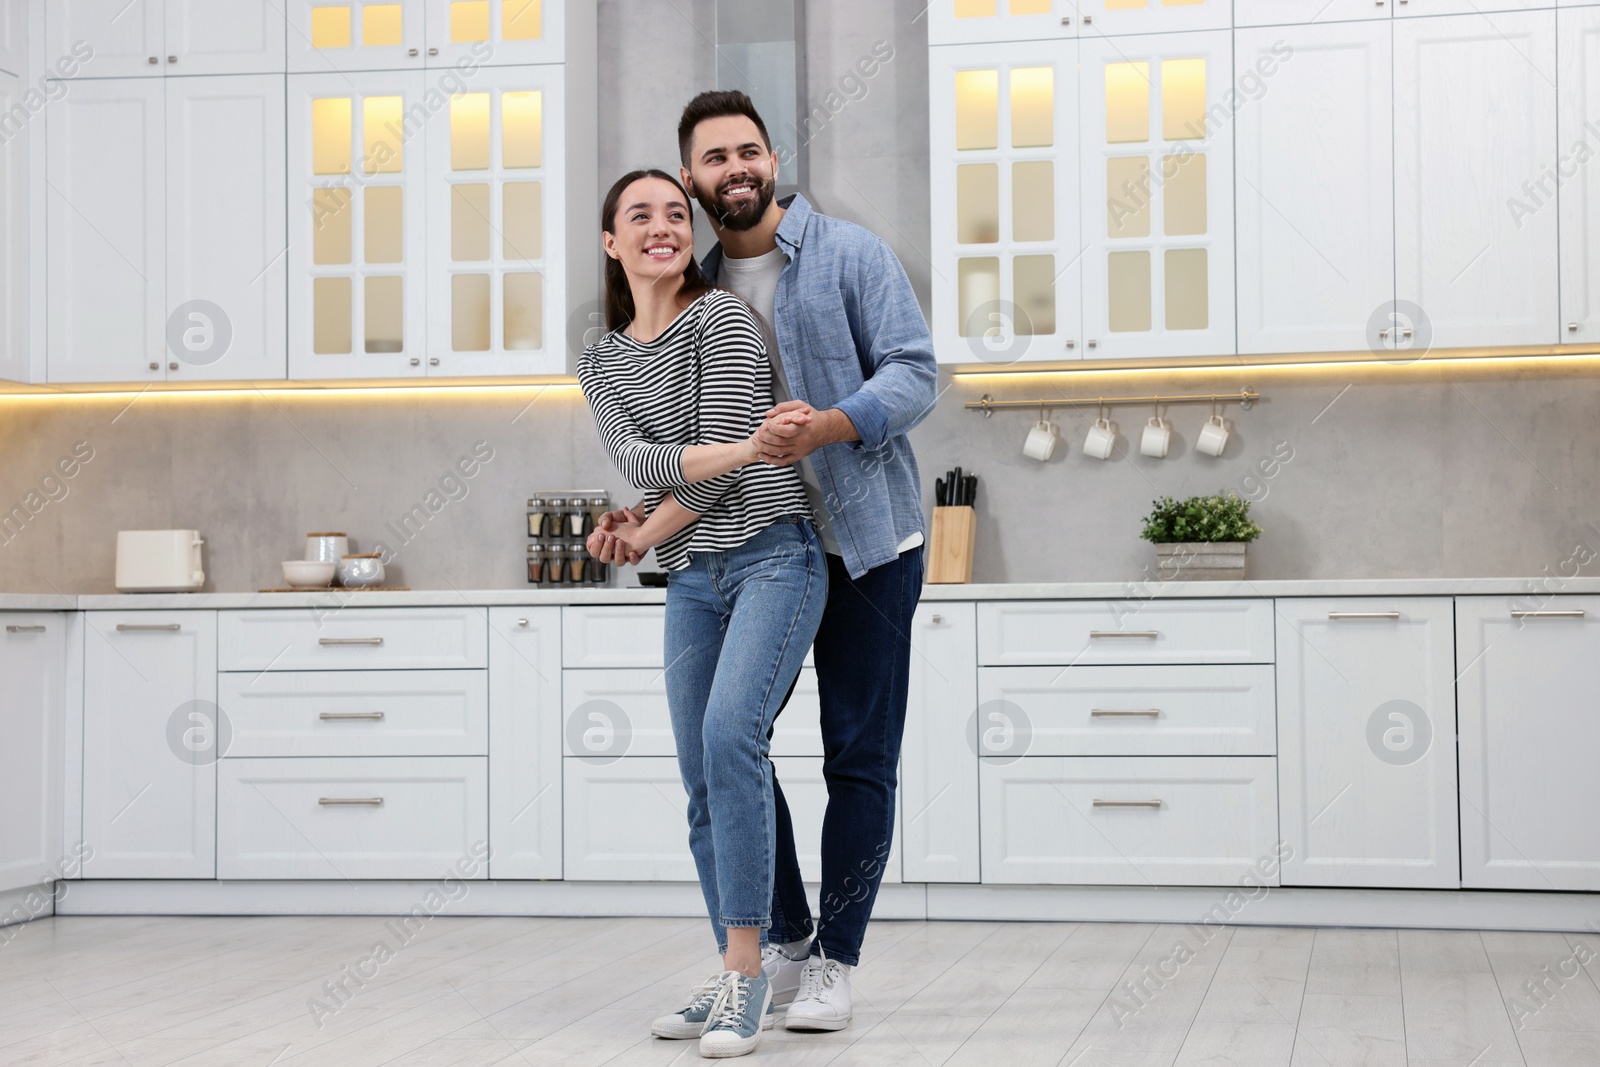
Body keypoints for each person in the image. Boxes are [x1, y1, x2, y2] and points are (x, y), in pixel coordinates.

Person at [594, 91, 938, 1033]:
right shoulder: (692, 287)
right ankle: (777, 943)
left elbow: (914, 371)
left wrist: (827, 425)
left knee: (857, 758)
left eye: (748, 151)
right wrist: (652, 519)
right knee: (728, 744)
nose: (734, 169)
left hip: (864, 543)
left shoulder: (849, 255)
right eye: (713, 159)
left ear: (773, 158)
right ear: (693, 178)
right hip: (748, 543)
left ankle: (835, 957)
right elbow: (680, 440)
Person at [578, 168, 828, 1059]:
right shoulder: (599, 358)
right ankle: (736, 966)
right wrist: (647, 525)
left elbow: (711, 468)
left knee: (731, 739)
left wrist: (650, 523)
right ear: (611, 241)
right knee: (698, 775)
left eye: (675, 214)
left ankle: (745, 975)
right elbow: (648, 463)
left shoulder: (723, 317)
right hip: (692, 579)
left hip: (774, 557)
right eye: (639, 215)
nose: (663, 226)